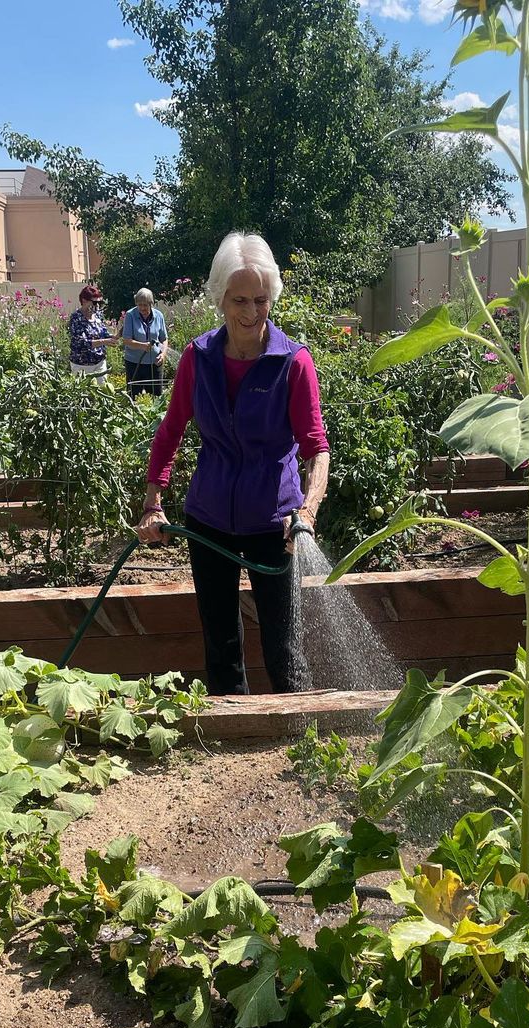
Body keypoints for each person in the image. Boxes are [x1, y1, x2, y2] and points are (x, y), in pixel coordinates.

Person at [136, 231, 330, 696]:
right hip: (209, 519)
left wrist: (306, 512)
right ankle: (232, 736)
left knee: (284, 645)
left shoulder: (293, 362)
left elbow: (315, 447)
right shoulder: (197, 358)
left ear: (272, 298)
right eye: (239, 300)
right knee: (220, 640)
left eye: (261, 300)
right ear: (220, 299)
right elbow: (171, 431)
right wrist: (152, 502)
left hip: (275, 523)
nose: (250, 312)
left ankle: (298, 730)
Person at [121, 287, 169, 397]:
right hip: (134, 364)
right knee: (133, 396)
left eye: (145, 305)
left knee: (156, 397)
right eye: (140, 305)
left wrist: (163, 354)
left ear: (151, 304)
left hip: (154, 364)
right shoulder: (130, 315)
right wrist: (142, 346)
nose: (142, 308)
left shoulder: (159, 316)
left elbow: (164, 339)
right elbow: (126, 340)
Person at [69, 284, 116, 383]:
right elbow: (81, 343)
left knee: (103, 392)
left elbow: (104, 333)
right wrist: (104, 341)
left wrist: (114, 337)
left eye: (100, 302)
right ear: (84, 301)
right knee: (84, 396)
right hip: (82, 366)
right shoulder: (76, 318)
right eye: (94, 302)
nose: (97, 305)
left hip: (100, 363)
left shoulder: (98, 315)